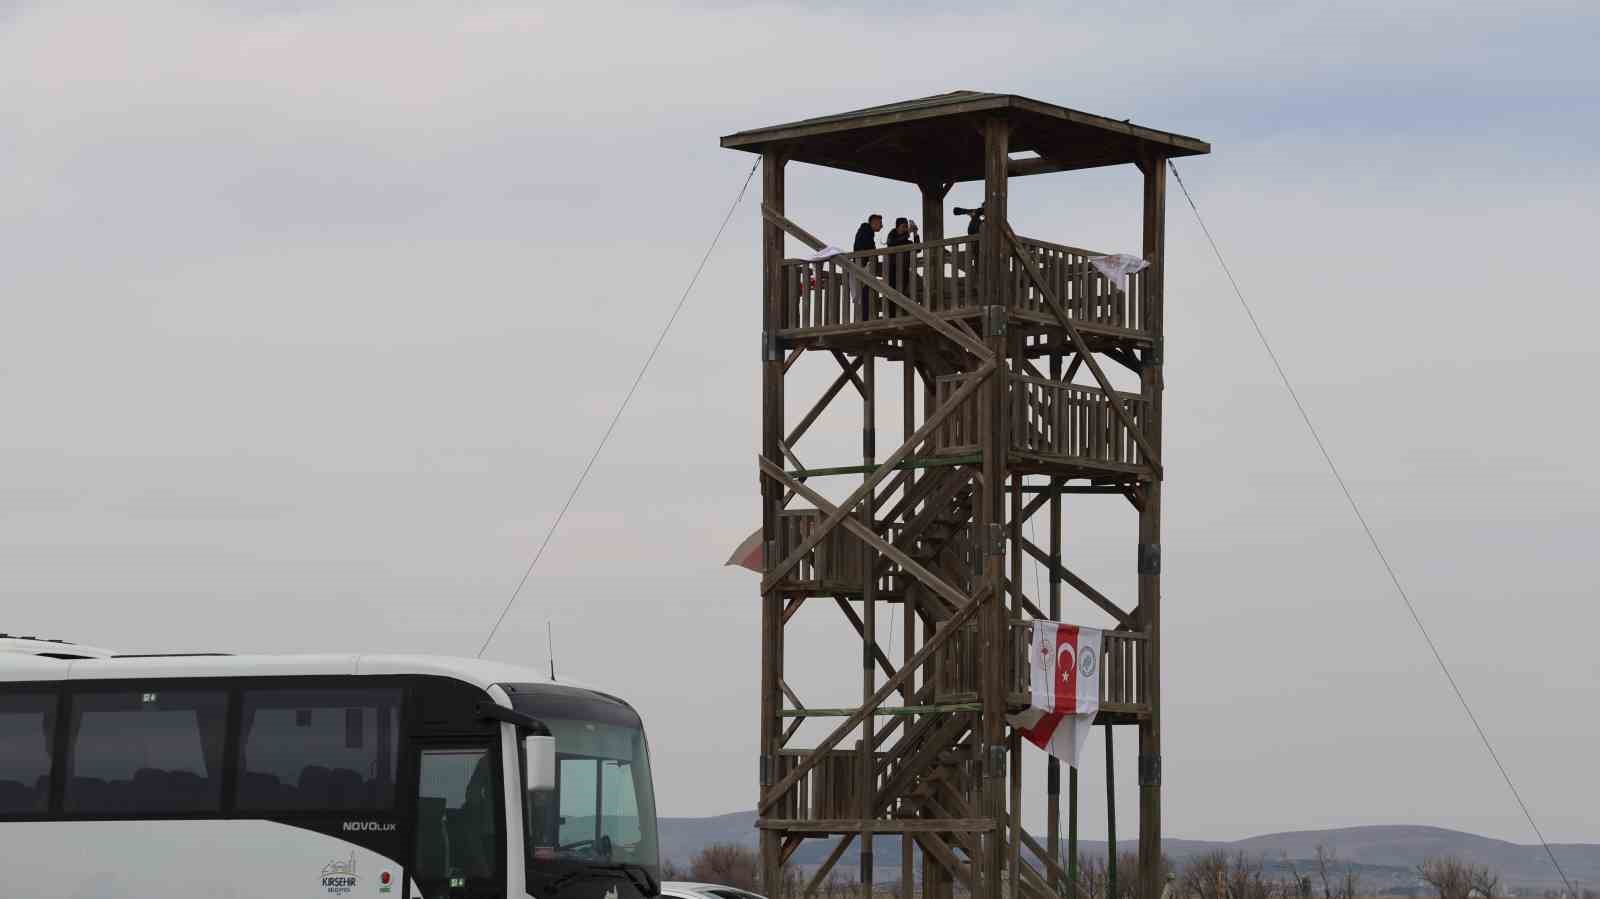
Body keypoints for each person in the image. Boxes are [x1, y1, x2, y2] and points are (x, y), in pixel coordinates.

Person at [852, 214, 884, 308]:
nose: (882, 226)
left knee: (865, 293)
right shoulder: (866, 231)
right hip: (863, 266)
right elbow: (865, 248)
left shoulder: (866, 231)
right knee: (865, 294)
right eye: (880, 223)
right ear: (874, 222)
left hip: (864, 266)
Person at [884, 216, 919, 292]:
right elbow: (892, 243)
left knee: (902, 293)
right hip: (892, 270)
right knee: (892, 293)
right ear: (897, 227)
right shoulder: (892, 236)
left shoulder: (907, 242)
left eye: (906, 227)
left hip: (904, 270)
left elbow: (918, 249)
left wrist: (915, 234)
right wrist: (908, 232)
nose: (905, 229)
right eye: (903, 226)